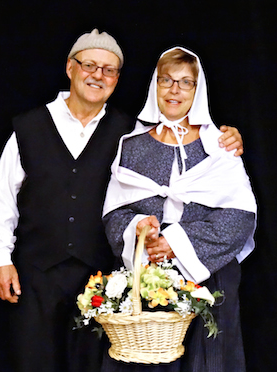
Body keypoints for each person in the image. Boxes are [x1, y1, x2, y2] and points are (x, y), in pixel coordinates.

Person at [0, 29, 245, 372]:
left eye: (109, 70)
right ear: (70, 68)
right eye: (90, 65)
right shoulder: (29, 127)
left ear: (117, 79)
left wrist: (228, 136)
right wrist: (0, 258)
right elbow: (2, 198)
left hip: (102, 278)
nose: (98, 75)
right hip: (36, 275)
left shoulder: (131, 133)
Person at [101, 47, 257, 372]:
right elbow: (115, 213)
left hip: (210, 276)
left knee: (208, 361)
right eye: (167, 80)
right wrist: (140, 230)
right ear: (154, 86)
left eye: (186, 83)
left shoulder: (219, 145)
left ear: (197, 91)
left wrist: (176, 242)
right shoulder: (132, 146)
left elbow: (239, 216)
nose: (175, 90)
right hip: (147, 273)